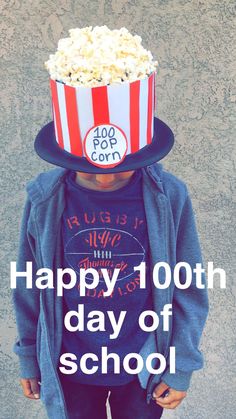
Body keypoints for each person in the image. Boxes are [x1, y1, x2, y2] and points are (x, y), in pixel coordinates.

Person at [12, 28, 208, 418]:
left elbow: (189, 286)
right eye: (87, 171)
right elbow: (31, 282)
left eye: (120, 172)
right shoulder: (45, 198)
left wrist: (181, 364)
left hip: (143, 367)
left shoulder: (168, 196)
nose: (103, 179)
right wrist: (29, 354)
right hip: (70, 367)